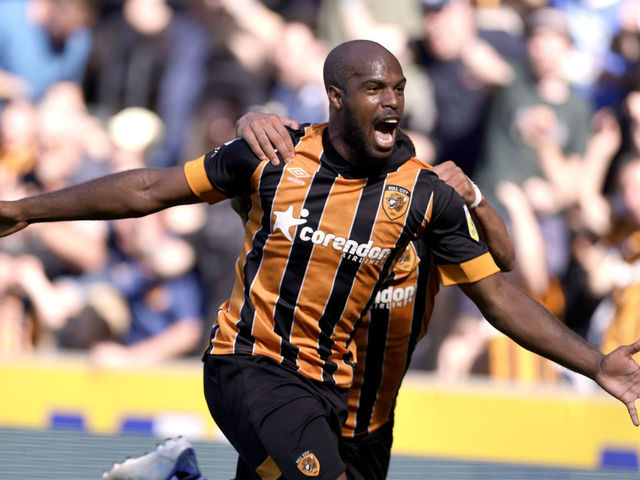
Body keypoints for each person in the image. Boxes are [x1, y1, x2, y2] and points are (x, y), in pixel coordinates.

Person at [2, 40, 640, 480]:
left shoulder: (424, 197)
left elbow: (500, 290)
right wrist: (28, 207)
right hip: (253, 367)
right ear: (336, 98)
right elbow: (150, 190)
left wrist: (595, 364)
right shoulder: (272, 156)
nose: (391, 101)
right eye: (373, 89)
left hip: (356, 411)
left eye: (398, 89)